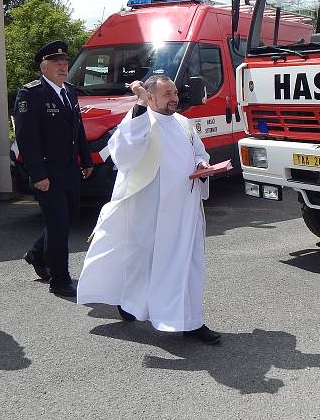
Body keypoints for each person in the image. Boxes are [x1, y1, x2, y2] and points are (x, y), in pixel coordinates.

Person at [77, 75, 221, 344]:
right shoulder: (140, 121)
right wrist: (140, 107)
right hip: (151, 212)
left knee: (187, 266)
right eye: (167, 94)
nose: (174, 98)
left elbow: (199, 153)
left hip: (184, 213)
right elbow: (124, 152)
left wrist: (202, 165)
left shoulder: (184, 123)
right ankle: (130, 303)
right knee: (143, 264)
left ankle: (190, 322)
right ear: (150, 97)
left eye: (175, 92)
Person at [14, 40, 93, 297]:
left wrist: (87, 159)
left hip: (69, 169)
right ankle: (59, 280)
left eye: (65, 63)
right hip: (47, 172)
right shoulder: (31, 94)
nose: (63, 67)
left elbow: (77, 129)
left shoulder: (69, 91)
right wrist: (38, 175)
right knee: (58, 225)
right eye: (57, 64)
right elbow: (27, 139)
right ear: (43, 67)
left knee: (66, 218)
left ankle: (36, 254)